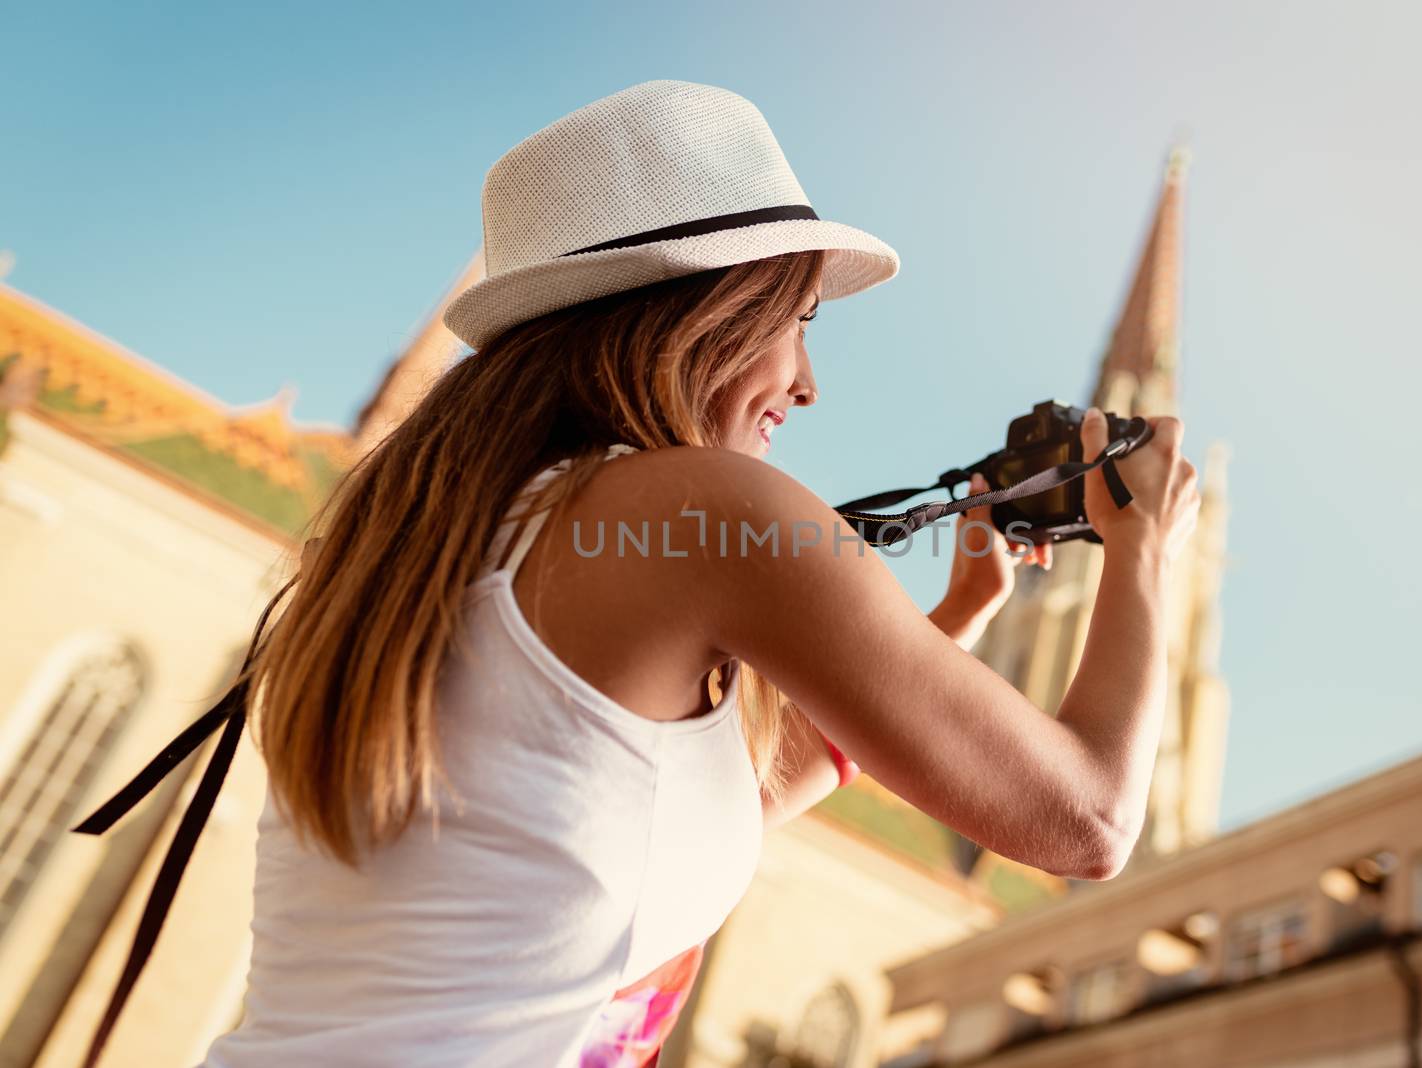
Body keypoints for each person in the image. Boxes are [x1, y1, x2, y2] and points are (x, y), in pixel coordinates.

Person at [198, 80, 1199, 1067]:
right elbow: (1090, 820)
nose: (807, 383)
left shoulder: (429, 530)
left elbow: (679, 821)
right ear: (699, 314)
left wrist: (961, 611)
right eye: (797, 319)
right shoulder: (705, 507)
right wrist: (1145, 544)